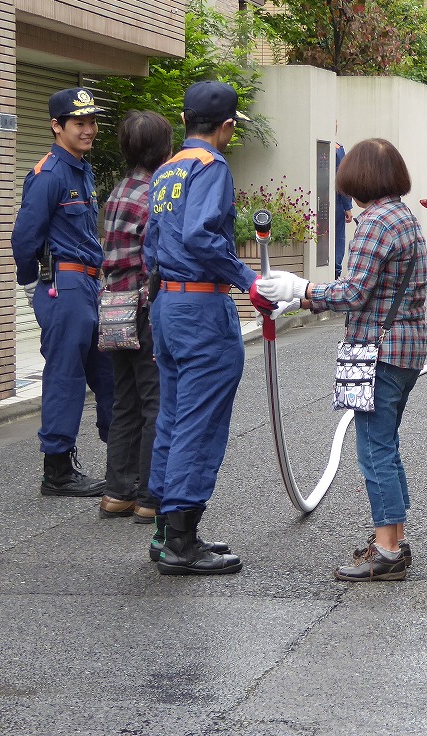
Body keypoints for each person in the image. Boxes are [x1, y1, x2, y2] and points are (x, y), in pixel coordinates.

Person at [256, 138, 427, 582]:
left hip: (377, 351)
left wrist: (301, 289)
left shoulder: (374, 223)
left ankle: (387, 551)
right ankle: (393, 538)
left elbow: (353, 293)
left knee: (374, 450)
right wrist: (302, 299)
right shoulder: (405, 217)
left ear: (360, 178)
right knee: (386, 444)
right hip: (406, 348)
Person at [143, 80, 274, 576]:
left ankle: (166, 532)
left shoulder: (167, 169)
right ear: (227, 127)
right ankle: (182, 540)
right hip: (201, 308)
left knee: (174, 417)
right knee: (200, 423)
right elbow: (201, 235)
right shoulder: (211, 165)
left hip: (168, 305)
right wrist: (248, 279)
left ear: (184, 120)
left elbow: (153, 245)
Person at [11, 88, 115, 498]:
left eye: (92, 122)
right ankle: (57, 471)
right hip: (65, 285)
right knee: (66, 376)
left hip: (89, 284)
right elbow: (25, 237)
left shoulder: (81, 169)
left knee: (109, 372)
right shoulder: (49, 174)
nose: (89, 129)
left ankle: (126, 461)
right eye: (79, 123)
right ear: (57, 126)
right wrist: (30, 282)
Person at [98, 111, 174, 524]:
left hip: (113, 306)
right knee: (155, 402)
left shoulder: (118, 191)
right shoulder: (154, 195)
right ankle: (149, 496)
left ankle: (117, 493)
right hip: (143, 306)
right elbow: (156, 260)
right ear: (163, 150)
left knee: (124, 400)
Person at [334, 140, 354, 276]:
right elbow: (343, 178)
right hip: (337, 202)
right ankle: (335, 272)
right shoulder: (338, 148)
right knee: (338, 239)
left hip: (318, 201)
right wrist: (348, 207)